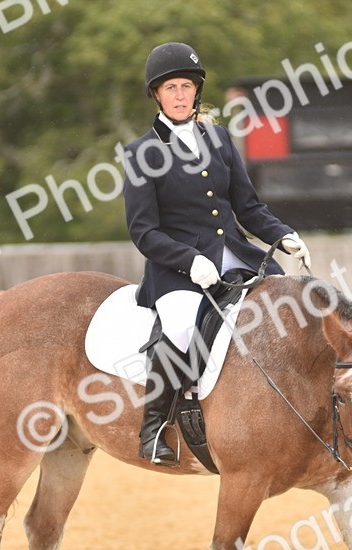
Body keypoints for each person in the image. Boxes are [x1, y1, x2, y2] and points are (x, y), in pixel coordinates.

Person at [123, 41, 312, 466]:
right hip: (176, 270)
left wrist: (283, 236)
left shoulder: (219, 137)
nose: (180, 94)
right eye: (171, 87)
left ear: (196, 91)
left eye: (186, 86)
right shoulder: (141, 153)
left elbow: (248, 208)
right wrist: (189, 260)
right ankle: (154, 430)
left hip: (237, 258)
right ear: (156, 94)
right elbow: (143, 231)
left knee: (289, 309)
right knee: (181, 329)